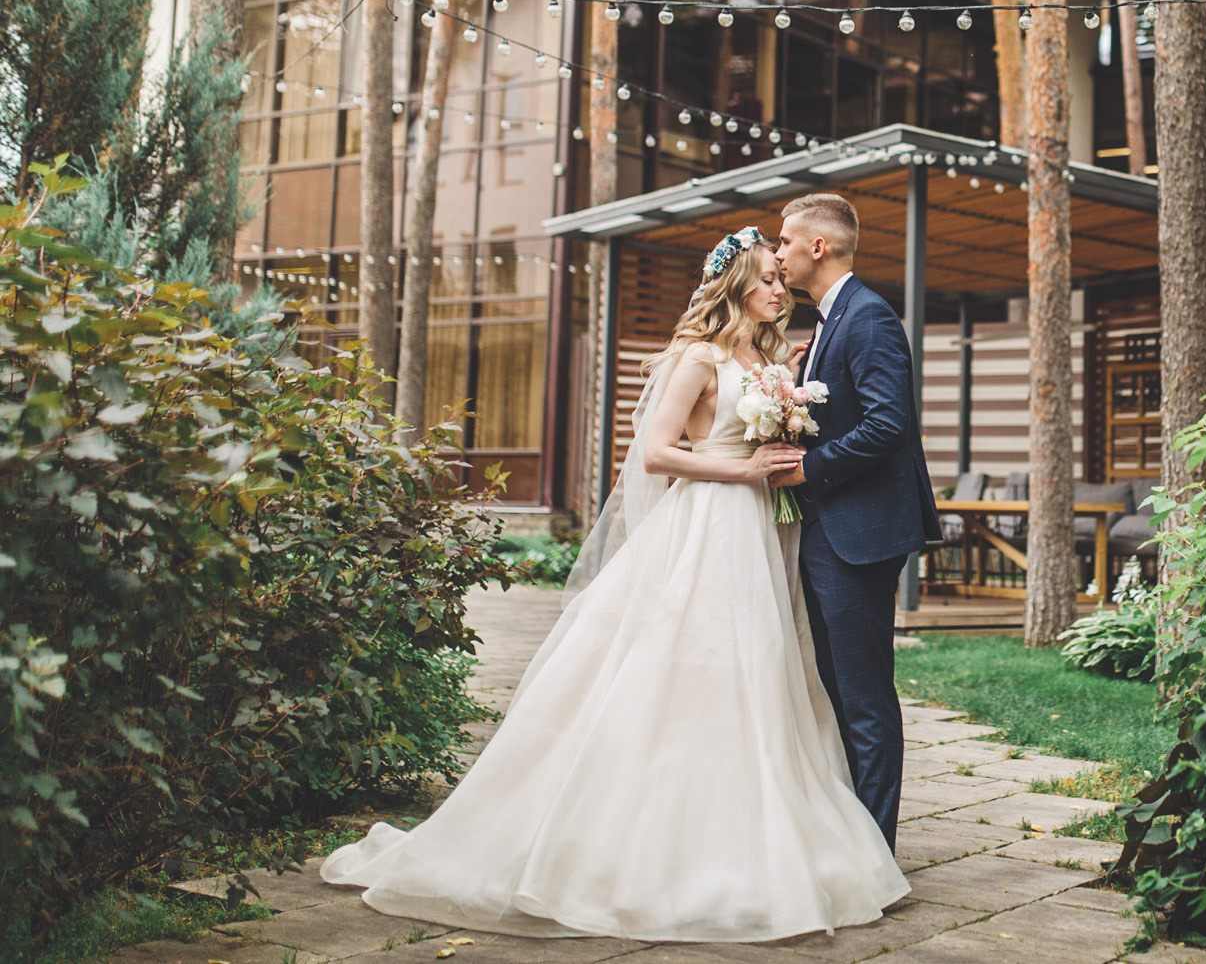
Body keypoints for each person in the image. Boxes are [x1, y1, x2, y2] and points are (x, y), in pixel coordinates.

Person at [319, 227, 909, 941]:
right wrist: (743, 469)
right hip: (711, 527)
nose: (779, 288)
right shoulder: (695, 357)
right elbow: (659, 453)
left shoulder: (768, 355)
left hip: (762, 531)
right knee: (692, 673)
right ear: (733, 289)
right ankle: (643, 842)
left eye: (780, 279)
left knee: (765, 675)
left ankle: (742, 829)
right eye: (765, 280)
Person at [772, 194, 943, 849]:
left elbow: (887, 425)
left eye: (787, 240)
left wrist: (805, 472)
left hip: (858, 537)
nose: (778, 252)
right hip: (830, 532)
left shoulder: (867, 317)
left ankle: (874, 850)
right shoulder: (828, 322)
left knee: (863, 696)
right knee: (837, 693)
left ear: (820, 246)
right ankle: (849, 836)